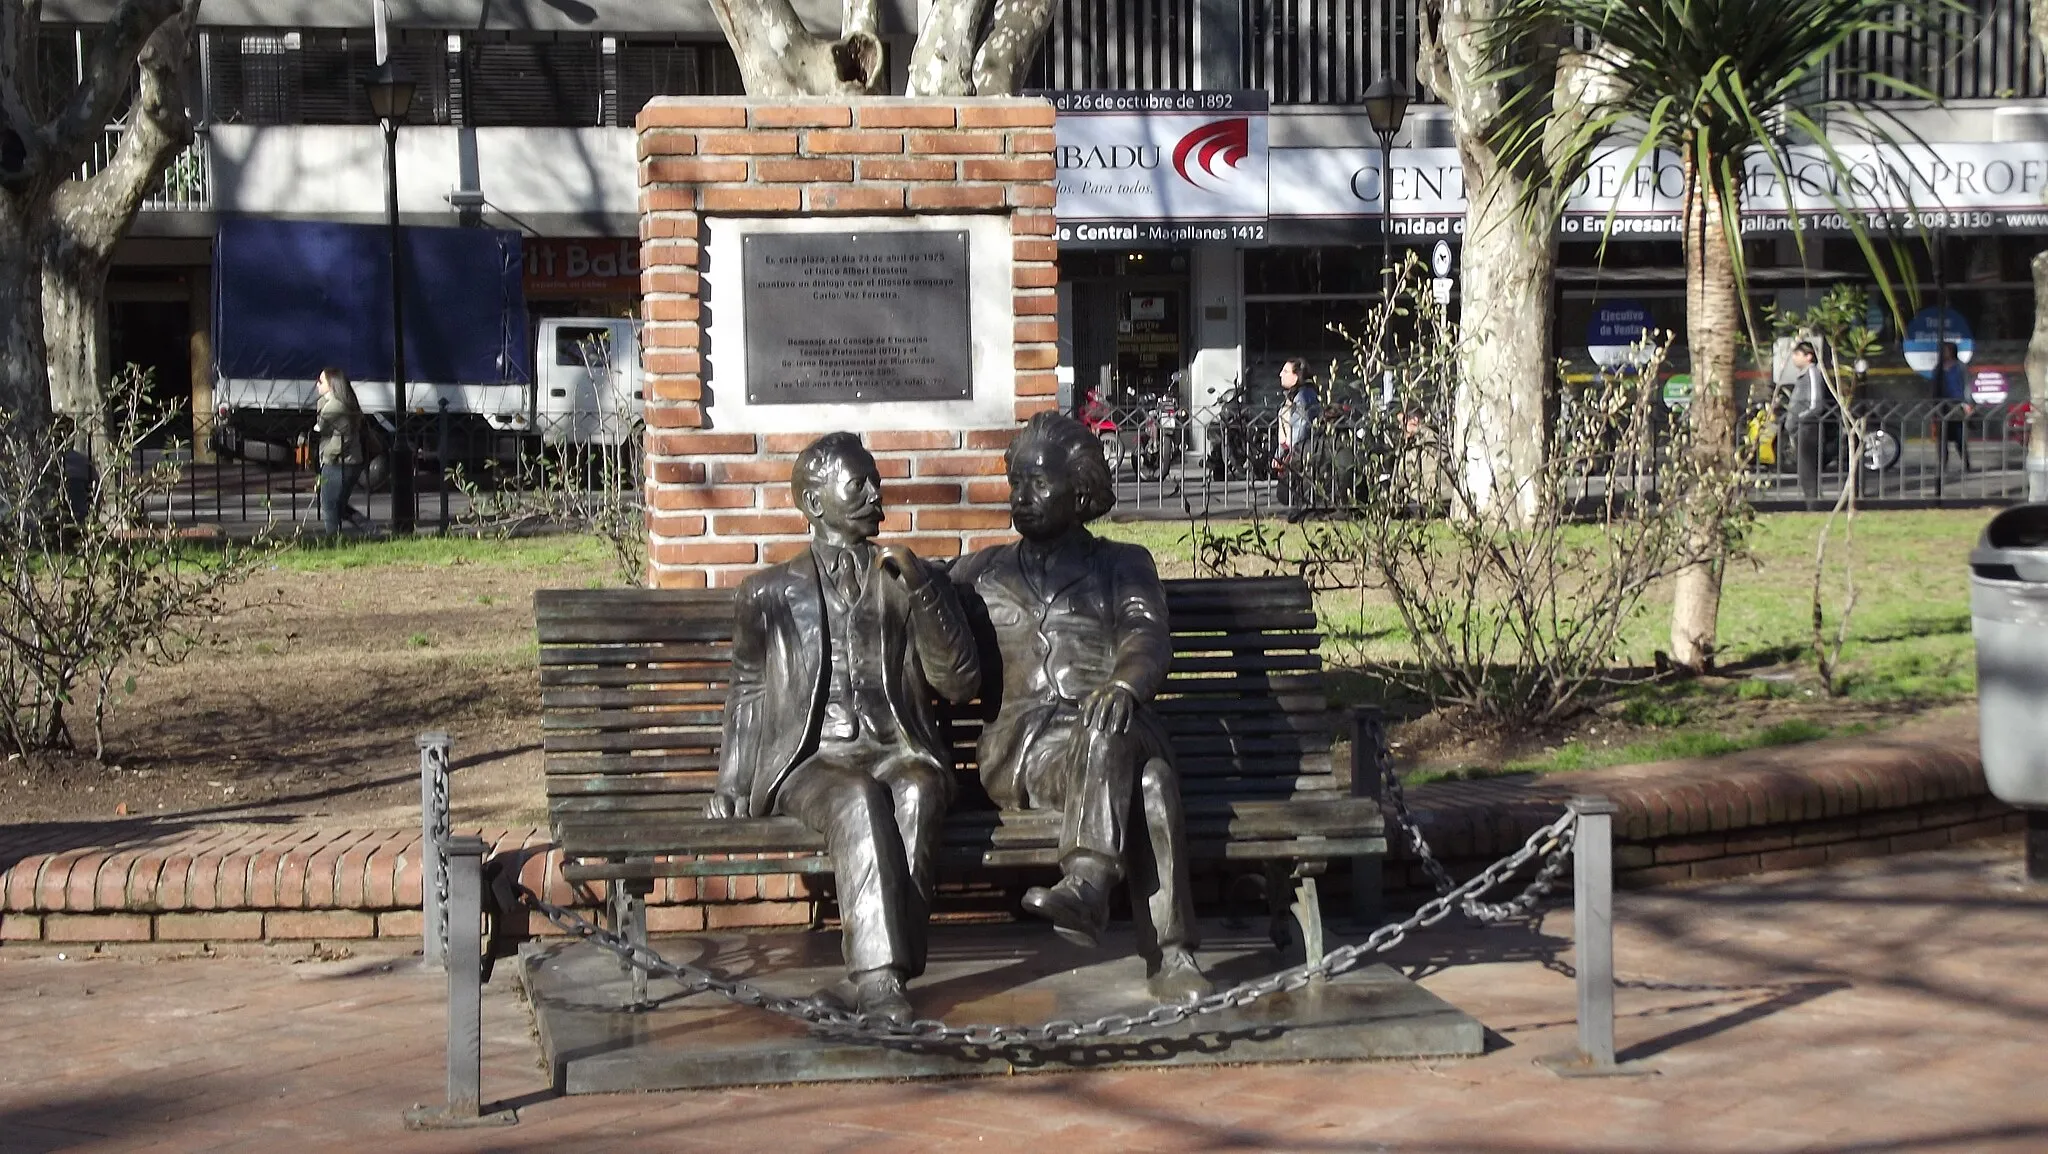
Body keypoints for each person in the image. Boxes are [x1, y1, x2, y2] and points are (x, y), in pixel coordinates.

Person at [709, 433, 981, 1024]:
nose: (875, 493)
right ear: (813, 501)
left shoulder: (906, 578)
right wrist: (732, 782)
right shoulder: (768, 593)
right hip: (813, 762)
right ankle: (882, 983)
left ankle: (879, 977)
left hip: (896, 747)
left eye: (875, 480)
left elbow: (960, 682)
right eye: (858, 483)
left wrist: (925, 590)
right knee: (858, 799)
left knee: (918, 790)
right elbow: (749, 690)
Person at [950, 412, 1213, 1003]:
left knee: (1111, 732)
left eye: (1040, 483)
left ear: (1081, 489)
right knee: (1149, 785)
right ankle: (1172, 956)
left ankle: (1092, 883)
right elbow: (942, 658)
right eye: (1017, 482)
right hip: (1030, 753)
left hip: (1120, 719)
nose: (1023, 496)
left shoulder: (1122, 564)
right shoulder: (977, 572)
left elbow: (1146, 635)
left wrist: (1123, 686)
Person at [312, 367, 365, 536]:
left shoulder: (334, 407)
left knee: (329, 505)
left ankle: (333, 541)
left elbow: (340, 437)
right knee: (338, 506)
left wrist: (327, 455)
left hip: (339, 463)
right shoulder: (337, 403)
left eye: (321, 381)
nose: (317, 383)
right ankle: (369, 528)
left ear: (332, 385)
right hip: (350, 462)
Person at [1785, 341, 1833, 507]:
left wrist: (1799, 419)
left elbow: (1815, 404)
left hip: (1808, 429)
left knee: (1809, 471)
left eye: (1797, 354)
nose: (1793, 358)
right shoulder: (1803, 376)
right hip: (1800, 429)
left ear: (1808, 356)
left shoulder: (1812, 373)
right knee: (1805, 471)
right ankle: (1812, 503)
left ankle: (1814, 505)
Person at [1272, 358, 1319, 522]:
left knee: (1294, 486)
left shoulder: (1303, 396)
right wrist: (1280, 453)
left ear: (1297, 375)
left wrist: (1290, 453)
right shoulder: (1293, 396)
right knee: (1286, 491)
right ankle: (1301, 509)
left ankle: (1305, 510)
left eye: (1285, 371)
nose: (1280, 374)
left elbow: (1300, 427)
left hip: (1301, 450)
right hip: (1293, 449)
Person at [1936, 341, 1972, 475]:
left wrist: (1967, 403)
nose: (1944, 353)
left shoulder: (1960, 367)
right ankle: (1943, 464)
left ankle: (1966, 462)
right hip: (1942, 405)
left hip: (1957, 404)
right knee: (1942, 438)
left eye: (1946, 350)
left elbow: (1966, 384)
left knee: (1959, 437)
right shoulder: (1939, 368)